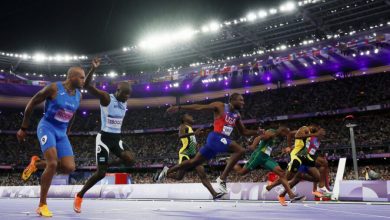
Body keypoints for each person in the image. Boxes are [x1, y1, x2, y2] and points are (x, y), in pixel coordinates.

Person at [17, 60, 98, 217]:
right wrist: (23, 127)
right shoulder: (54, 88)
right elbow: (32, 103)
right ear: (72, 77)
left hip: (61, 132)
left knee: (69, 168)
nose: (84, 80)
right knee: (53, 163)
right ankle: (42, 204)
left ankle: (37, 163)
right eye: (81, 77)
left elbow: (72, 114)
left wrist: (67, 131)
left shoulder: (79, 96)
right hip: (46, 127)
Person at [157, 93, 262, 193]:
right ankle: (222, 178)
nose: (243, 102)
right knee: (240, 150)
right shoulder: (220, 106)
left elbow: (244, 132)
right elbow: (200, 107)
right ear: (232, 100)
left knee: (194, 162)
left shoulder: (237, 115)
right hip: (215, 137)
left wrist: (257, 132)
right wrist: (180, 107)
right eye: (241, 100)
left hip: (220, 142)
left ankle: (167, 171)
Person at [74, 58, 135, 213]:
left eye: (129, 95)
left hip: (116, 139)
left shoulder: (124, 102)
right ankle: (80, 195)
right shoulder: (107, 98)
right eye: (125, 94)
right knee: (101, 173)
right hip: (104, 139)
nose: (127, 97)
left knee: (130, 159)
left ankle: (107, 162)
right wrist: (93, 68)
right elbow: (86, 86)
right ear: (118, 91)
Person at [155, 113, 225, 199]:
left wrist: (198, 136)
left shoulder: (190, 128)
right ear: (184, 119)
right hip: (185, 153)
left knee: (197, 175)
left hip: (194, 154)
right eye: (189, 116)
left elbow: (193, 140)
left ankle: (214, 194)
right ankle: (167, 171)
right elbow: (180, 136)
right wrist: (194, 133)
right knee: (179, 176)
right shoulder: (183, 126)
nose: (192, 117)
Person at [233, 126, 306, 206]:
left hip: (266, 158)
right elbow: (259, 137)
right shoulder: (272, 132)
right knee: (242, 172)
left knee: (281, 173)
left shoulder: (278, 138)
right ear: (282, 131)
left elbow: (269, 147)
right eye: (285, 134)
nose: (285, 136)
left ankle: (291, 195)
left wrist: (282, 152)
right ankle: (232, 162)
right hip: (258, 155)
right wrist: (253, 146)